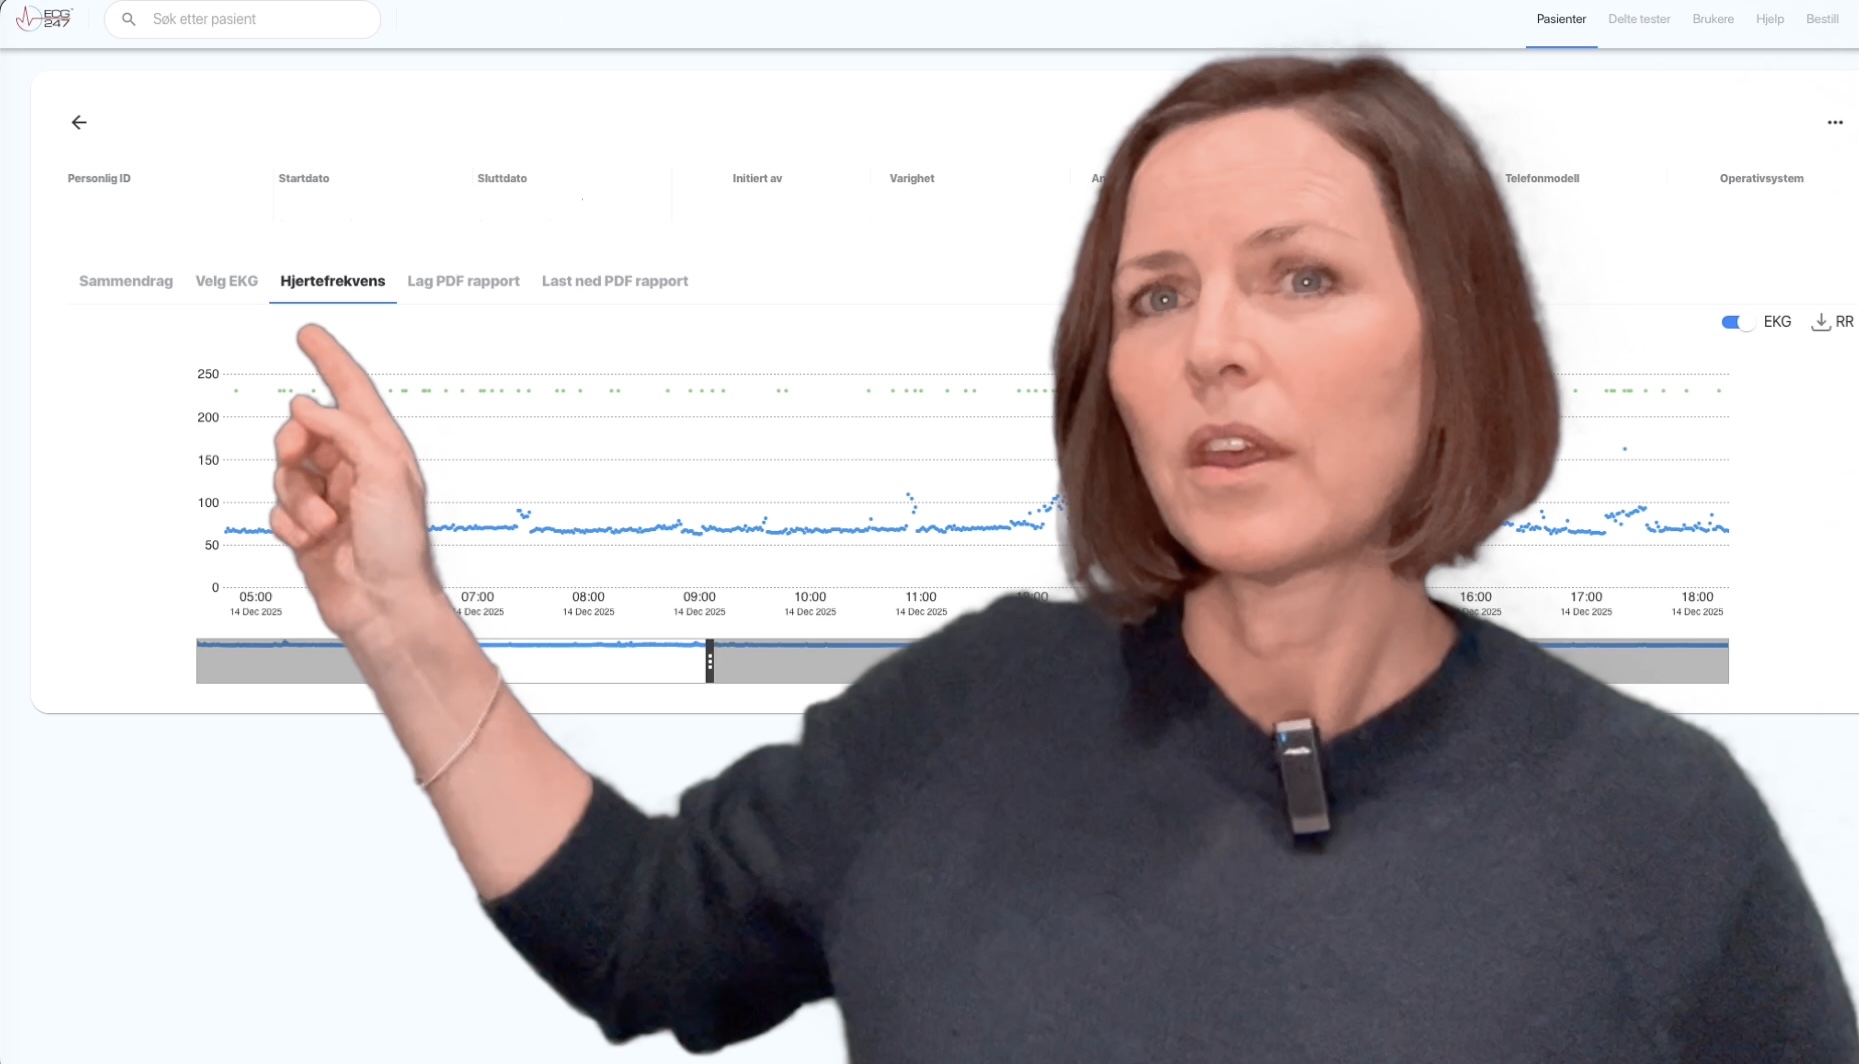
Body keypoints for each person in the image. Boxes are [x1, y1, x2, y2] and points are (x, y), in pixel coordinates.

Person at [270, 55, 1858, 1061]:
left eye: (1300, 277)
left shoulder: (1660, 826)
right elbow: (640, 936)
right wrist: (397, 618)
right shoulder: (957, 723)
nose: (1212, 347)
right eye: (1157, 296)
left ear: (1458, 341)